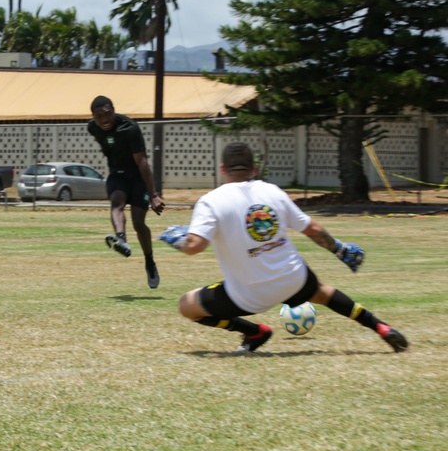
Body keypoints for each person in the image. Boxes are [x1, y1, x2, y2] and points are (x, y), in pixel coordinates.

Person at [158, 141, 408, 353]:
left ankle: (254, 332)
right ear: (253, 168)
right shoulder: (272, 191)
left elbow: (194, 246)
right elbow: (313, 229)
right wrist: (339, 249)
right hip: (293, 279)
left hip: (247, 296)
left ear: (222, 169)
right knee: (322, 293)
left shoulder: (211, 201)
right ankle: (379, 326)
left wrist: (177, 239)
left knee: (187, 305)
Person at [87, 95, 165, 288]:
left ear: (114, 110)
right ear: (93, 117)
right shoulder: (92, 128)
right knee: (116, 202)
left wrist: (154, 194)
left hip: (138, 178)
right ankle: (121, 240)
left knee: (139, 222)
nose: (104, 120)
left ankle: (150, 262)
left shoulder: (129, 128)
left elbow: (142, 162)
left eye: (108, 114)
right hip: (118, 175)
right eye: (99, 116)